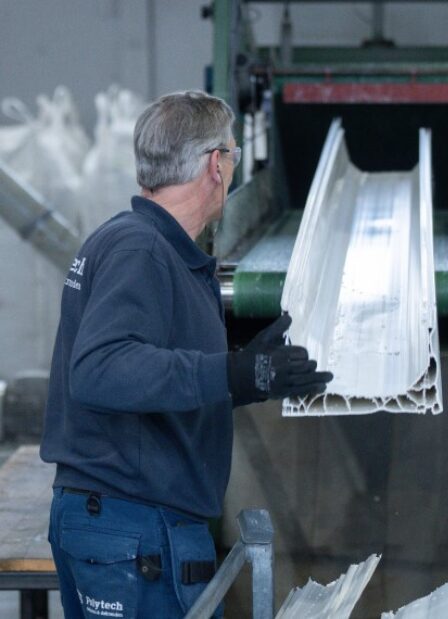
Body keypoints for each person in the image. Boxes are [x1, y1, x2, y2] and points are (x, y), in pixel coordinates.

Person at [40, 90, 332, 619]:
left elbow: (152, 382)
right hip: (136, 529)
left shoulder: (145, 246)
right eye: (233, 154)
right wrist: (230, 372)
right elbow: (101, 370)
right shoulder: (141, 249)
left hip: (129, 523)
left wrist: (248, 378)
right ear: (216, 165)